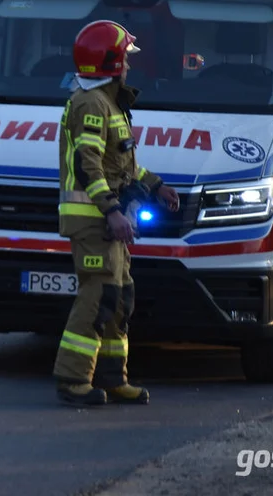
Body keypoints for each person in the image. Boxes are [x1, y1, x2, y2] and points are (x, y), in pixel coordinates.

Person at [54, 21, 180, 406]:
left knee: (119, 298)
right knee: (97, 297)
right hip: (95, 221)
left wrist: (156, 185)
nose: (128, 65)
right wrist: (111, 212)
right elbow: (89, 164)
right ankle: (73, 380)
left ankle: (111, 378)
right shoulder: (92, 104)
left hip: (108, 221)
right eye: (124, 58)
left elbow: (121, 165)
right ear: (109, 62)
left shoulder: (109, 102)